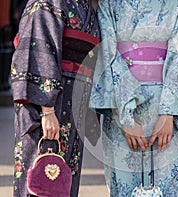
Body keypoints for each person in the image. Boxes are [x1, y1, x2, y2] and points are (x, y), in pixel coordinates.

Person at [89, 0, 178, 196]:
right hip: (123, 107)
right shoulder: (109, 4)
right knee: (126, 183)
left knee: (168, 185)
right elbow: (108, 53)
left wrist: (167, 114)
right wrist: (125, 116)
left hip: (164, 110)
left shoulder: (175, 5)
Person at [11, 0, 100, 196]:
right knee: (40, 175)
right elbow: (38, 52)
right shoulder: (46, 3)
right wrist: (47, 110)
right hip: (48, 105)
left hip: (75, 103)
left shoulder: (85, 6)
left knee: (64, 181)